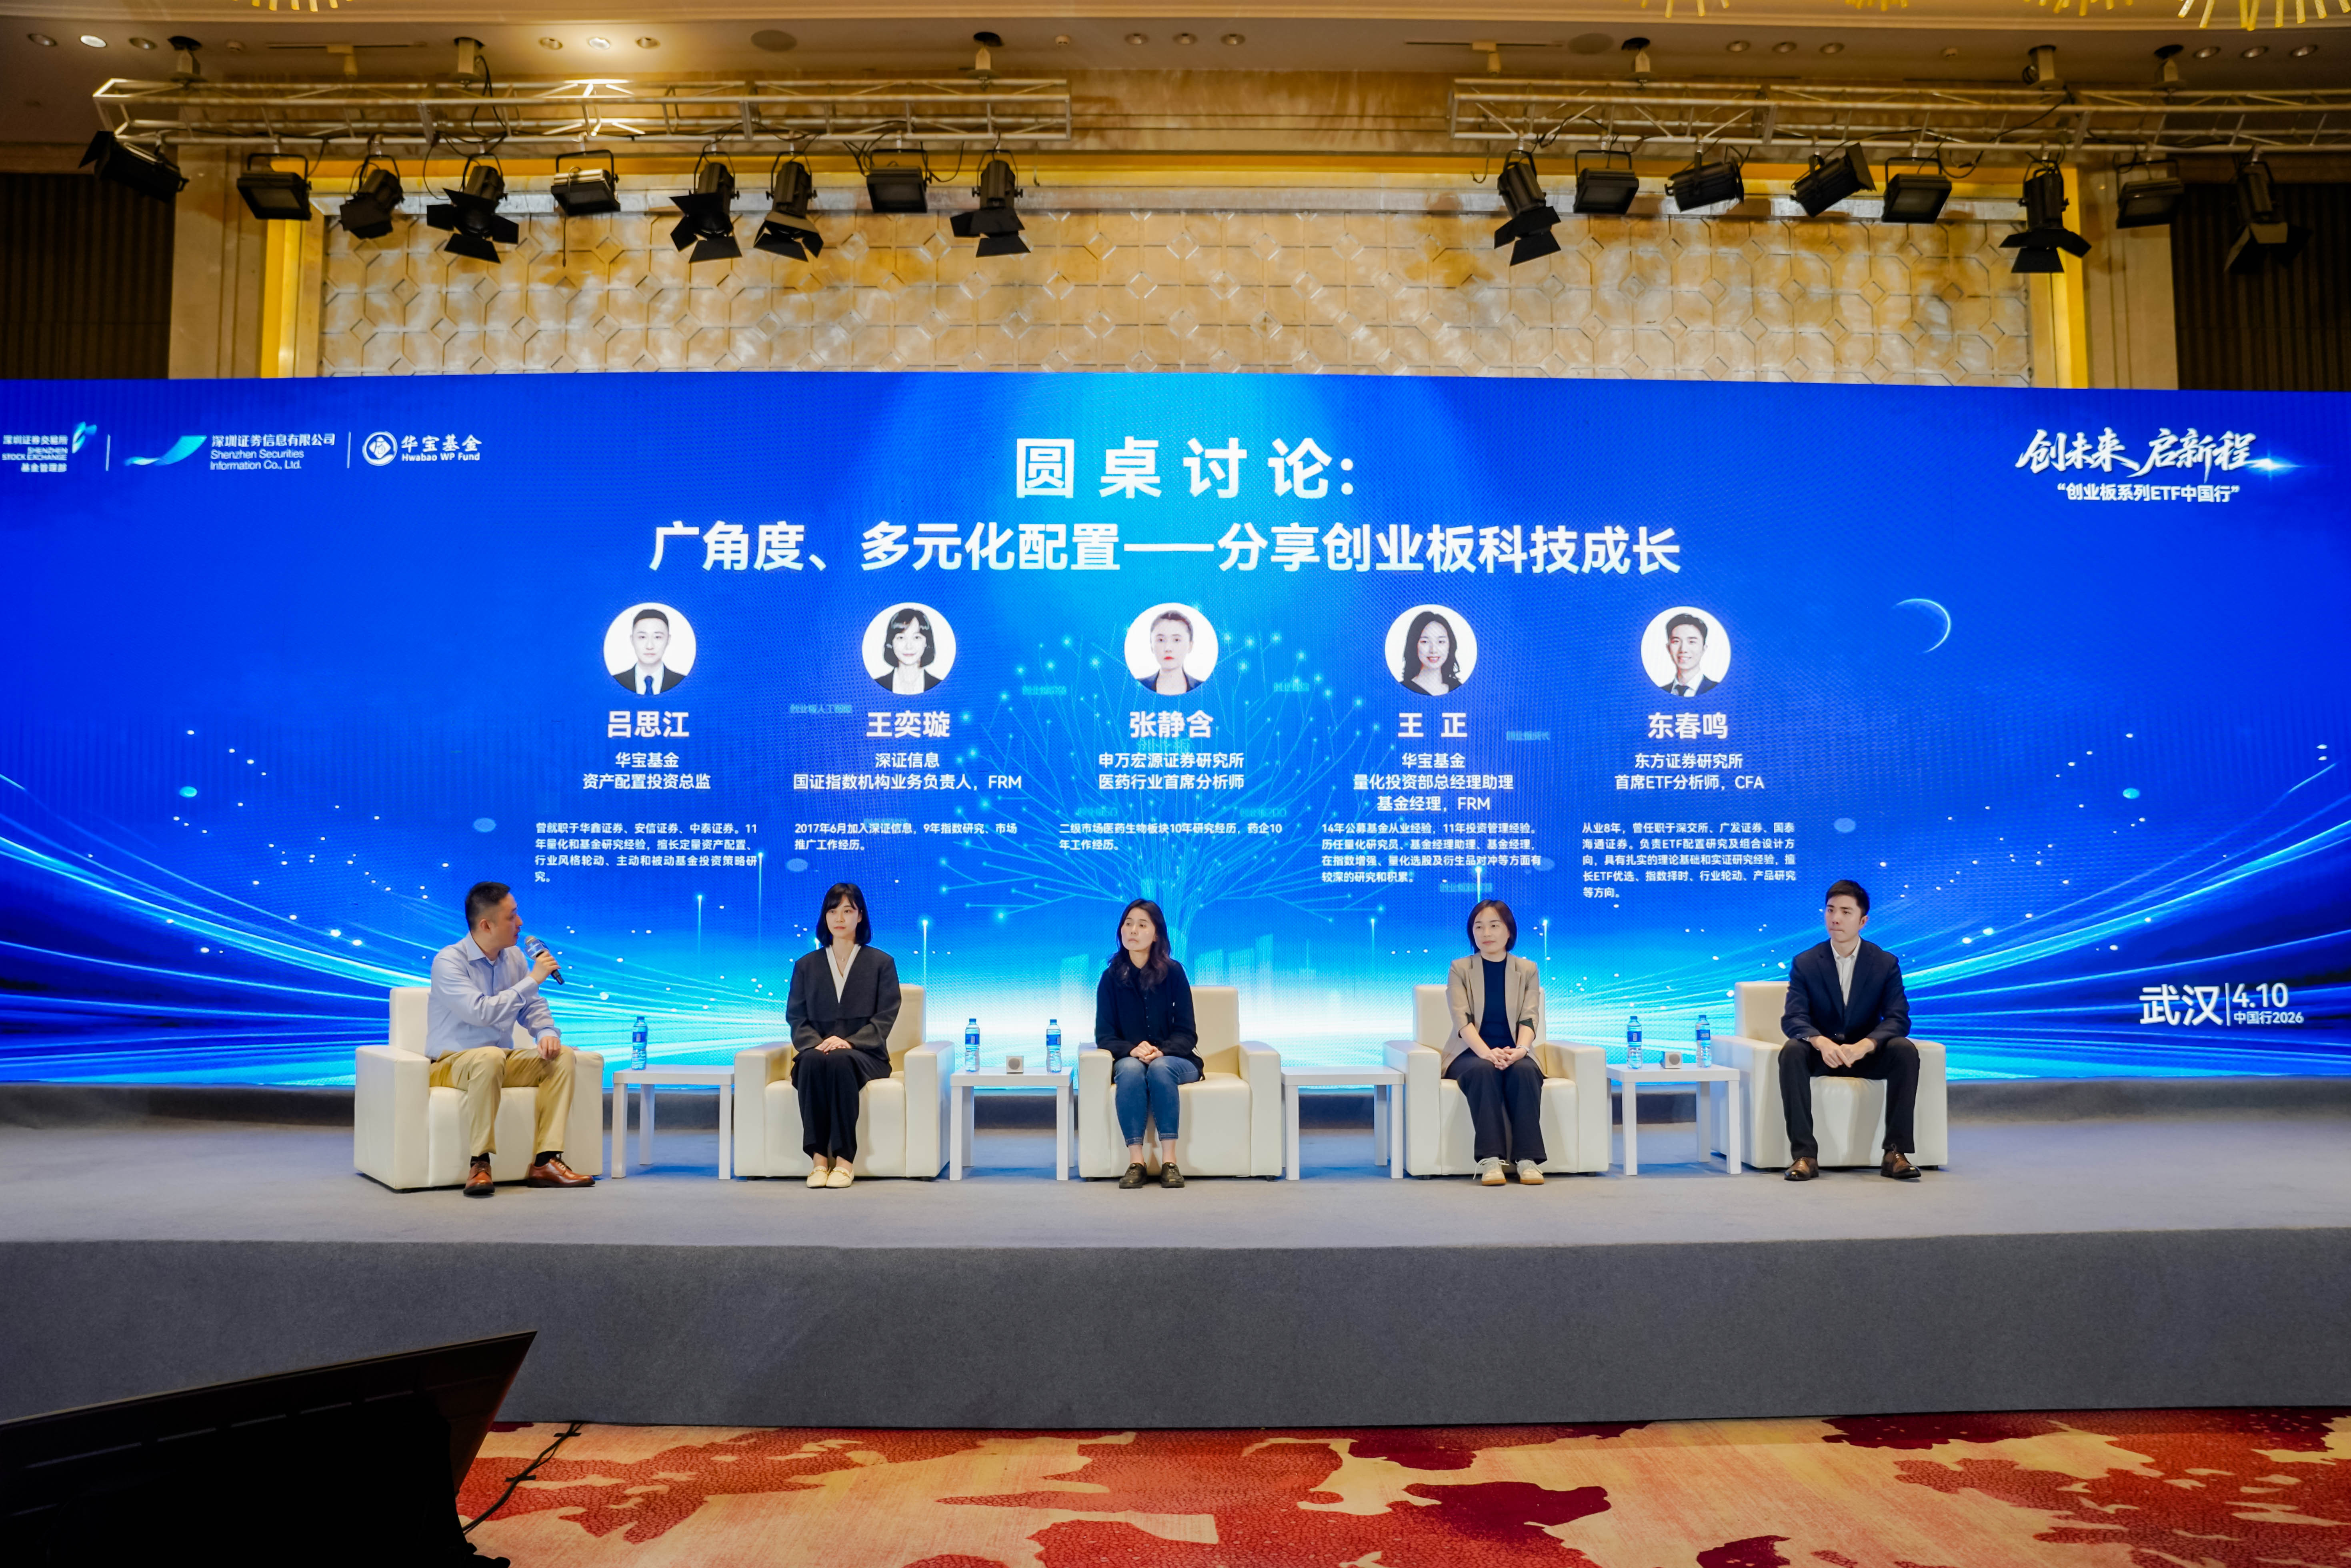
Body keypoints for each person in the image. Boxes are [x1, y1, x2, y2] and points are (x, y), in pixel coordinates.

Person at [424, 882, 594, 1196]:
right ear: (486, 925)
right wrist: (533, 979)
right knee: (489, 1056)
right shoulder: (449, 961)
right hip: (450, 1063)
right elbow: (480, 1012)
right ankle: (479, 1163)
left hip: (498, 1060)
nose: (520, 923)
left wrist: (546, 1033)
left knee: (562, 1056)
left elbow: (532, 1006)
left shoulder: (513, 957)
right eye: (512, 916)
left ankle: (546, 1162)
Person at [1778, 879, 1923, 1181]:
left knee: (1904, 1050)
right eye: (1830, 910)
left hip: (1865, 1054)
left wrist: (1867, 1044)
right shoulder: (1806, 962)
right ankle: (1804, 1156)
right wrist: (1820, 1042)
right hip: (1824, 1054)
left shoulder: (1884, 963)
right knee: (1792, 1051)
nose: (1835, 918)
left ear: (1863, 921)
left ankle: (1895, 1153)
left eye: (1845, 912)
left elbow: (1898, 1018)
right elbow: (1793, 1018)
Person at [783, 882, 903, 1188]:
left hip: (866, 1055)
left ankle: (844, 1161)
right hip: (818, 1051)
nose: (839, 918)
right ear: (824, 917)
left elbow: (885, 1017)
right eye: (832, 911)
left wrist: (849, 1042)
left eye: (848, 911)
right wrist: (818, 1044)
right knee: (810, 1062)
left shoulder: (881, 963)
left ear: (860, 916)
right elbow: (796, 1017)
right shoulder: (806, 966)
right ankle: (818, 1162)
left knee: (840, 1060)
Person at [1095, 898, 1200, 1188]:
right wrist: (1132, 1050)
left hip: (1177, 1059)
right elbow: (1104, 1035)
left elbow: (1187, 1032)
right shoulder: (1110, 978)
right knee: (1130, 1069)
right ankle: (1136, 1162)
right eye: (1128, 924)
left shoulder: (1174, 973)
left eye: (1142, 925)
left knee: (1160, 1068)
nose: (1133, 930)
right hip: (1130, 1059)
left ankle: (1170, 1162)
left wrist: (1161, 1051)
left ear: (1156, 935)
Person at [1443, 899, 1549, 1185]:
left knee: (1525, 1072)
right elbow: (1462, 1019)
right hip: (1470, 1052)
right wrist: (1487, 1053)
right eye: (1478, 927)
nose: (1486, 933)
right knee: (1483, 1070)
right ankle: (1490, 1160)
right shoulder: (1460, 968)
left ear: (1509, 931)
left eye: (1494, 926)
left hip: (1515, 1050)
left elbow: (1529, 1017)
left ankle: (1527, 1160)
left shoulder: (1527, 969)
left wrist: (1521, 1051)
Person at [616, 607, 686, 695]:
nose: (650, 646)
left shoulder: (682, 682)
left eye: (658, 637)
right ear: (632, 640)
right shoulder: (616, 681)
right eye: (642, 637)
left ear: (668, 640)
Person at [875, 607, 944, 695]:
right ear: (891, 642)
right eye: (901, 638)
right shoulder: (877, 686)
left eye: (917, 638)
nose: (909, 647)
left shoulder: (941, 687)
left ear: (927, 642)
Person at [1137, 608, 1205, 695]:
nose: (1168, 648)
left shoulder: (1203, 689)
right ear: (1152, 646)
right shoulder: (1137, 688)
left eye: (1176, 640)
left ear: (1190, 646)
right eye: (1161, 640)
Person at [1397, 609, 1465, 696]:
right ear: (1414, 645)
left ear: (1450, 645)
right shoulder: (1401, 690)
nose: (1433, 650)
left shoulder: (1457, 687)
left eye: (1441, 642)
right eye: (1425, 642)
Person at [1657, 612, 1719, 697]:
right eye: (1676, 642)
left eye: (1692, 642)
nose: (1683, 650)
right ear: (1668, 648)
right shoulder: (1659, 693)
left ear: (1704, 649)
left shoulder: (1719, 691)